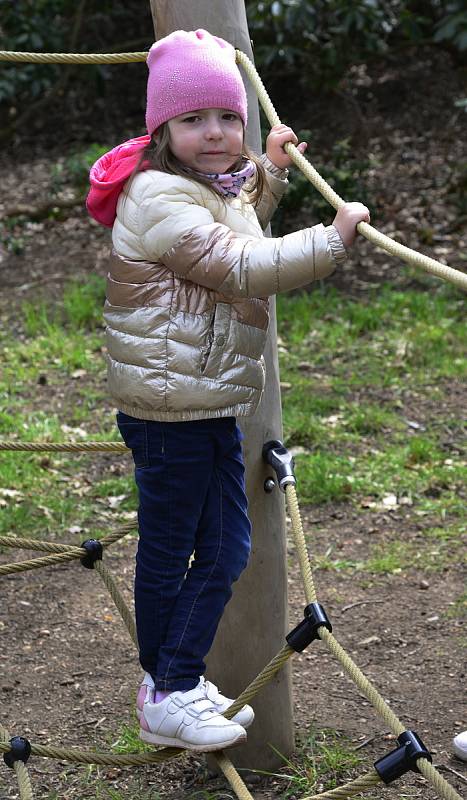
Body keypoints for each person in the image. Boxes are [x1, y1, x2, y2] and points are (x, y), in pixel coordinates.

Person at [87, 28, 370, 753]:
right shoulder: (155, 198)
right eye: (192, 120)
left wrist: (268, 177)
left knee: (224, 548)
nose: (214, 135)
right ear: (162, 129)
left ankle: (177, 677)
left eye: (227, 119)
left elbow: (237, 221)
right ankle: (166, 689)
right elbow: (236, 263)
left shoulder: (208, 186)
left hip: (202, 399)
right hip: (166, 407)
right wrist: (331, 240)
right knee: (176, 546)